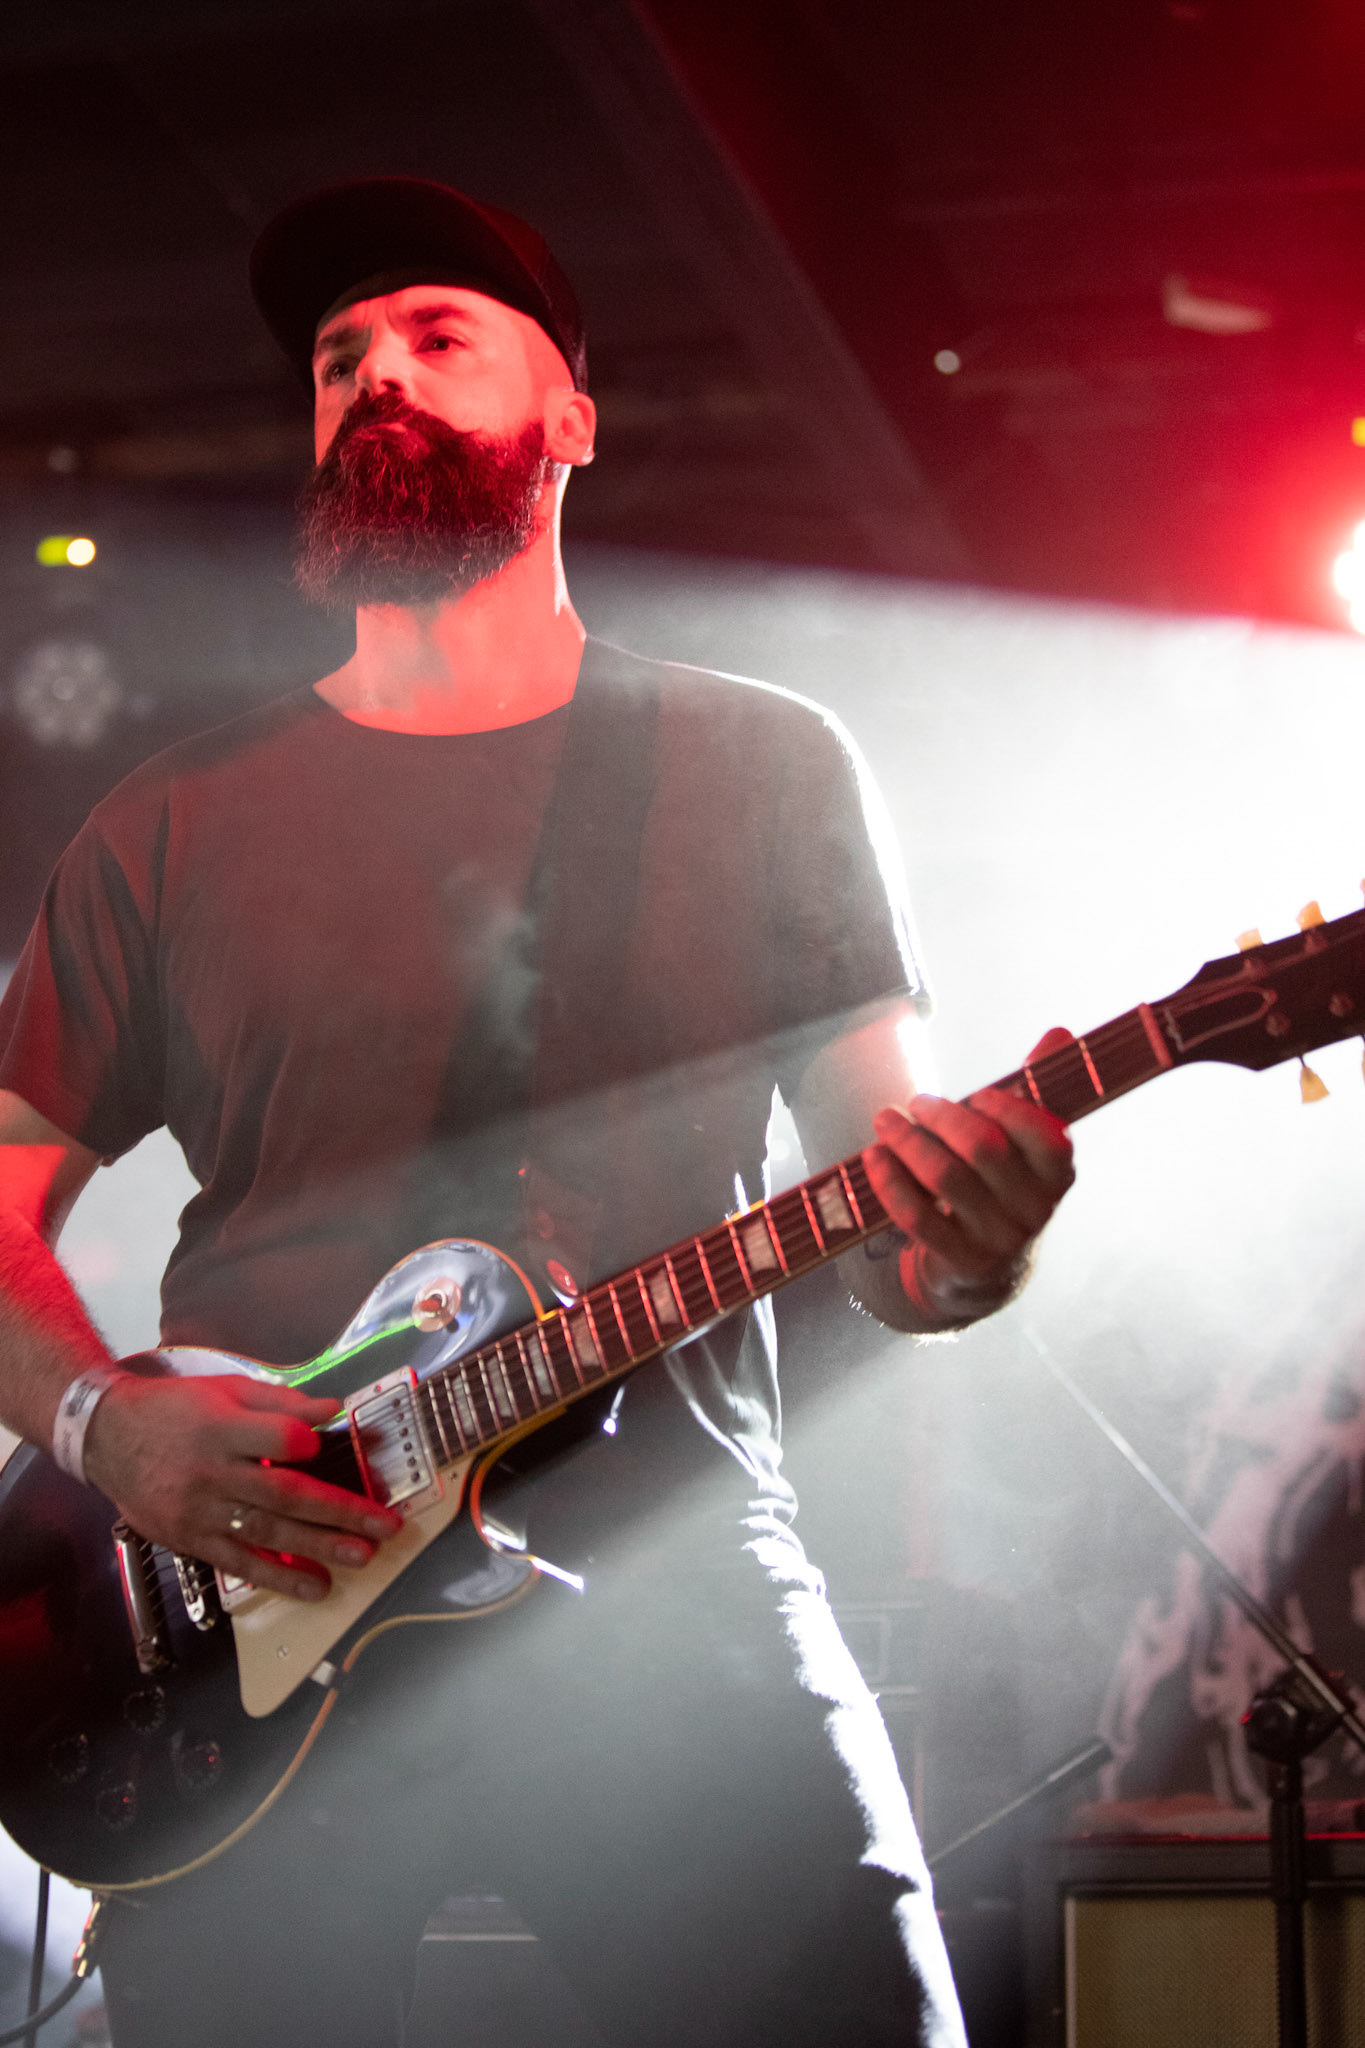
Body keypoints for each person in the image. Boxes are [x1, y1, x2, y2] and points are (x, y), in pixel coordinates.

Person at [0, 179, 1074, 2047]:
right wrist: (107, 1431)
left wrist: (969, 1249)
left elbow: (894, 1234)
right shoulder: (169, 825)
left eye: (436, 338)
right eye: (338, 360)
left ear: (569, 417)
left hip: (673, 1578)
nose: (373, 380)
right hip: (249, 1606)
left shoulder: (760, 763)